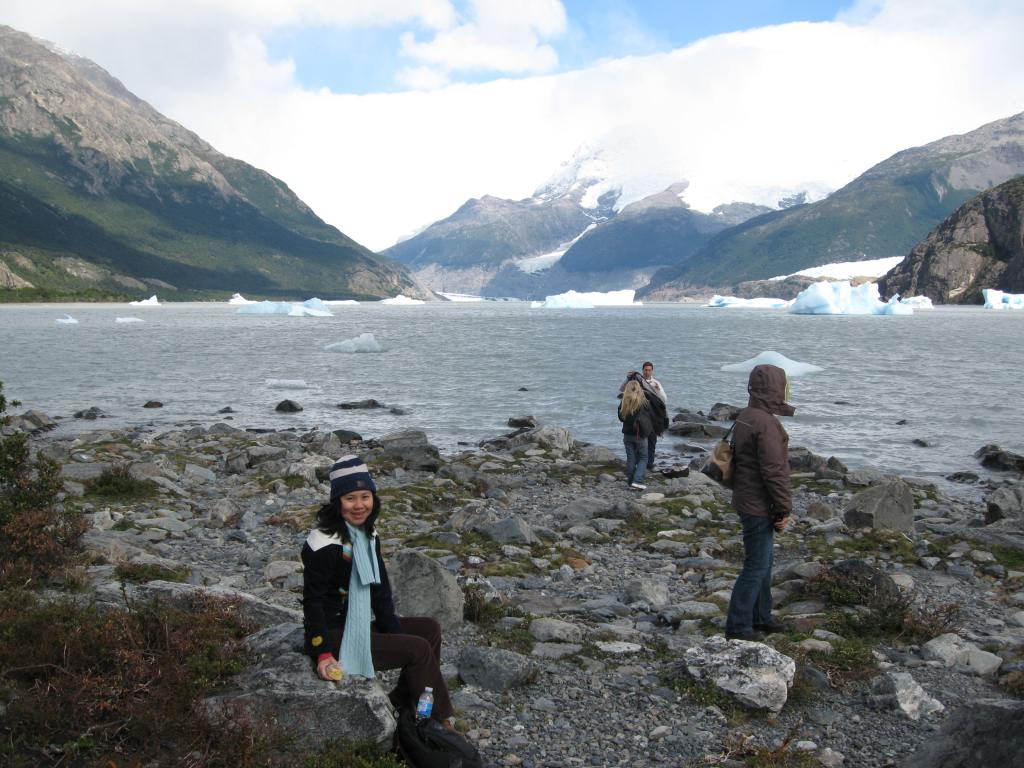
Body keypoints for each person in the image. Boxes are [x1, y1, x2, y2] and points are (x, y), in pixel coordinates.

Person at [301, 455, 454, 726]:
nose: (359, 505)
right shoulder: (323, 544)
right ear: (338, 502)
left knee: (429, 629)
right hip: (335, 636)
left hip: (356, 624)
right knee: (418, 650)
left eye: (365, 496)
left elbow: (380, 593)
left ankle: (406, 700)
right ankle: (435, 723)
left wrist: (395, 636)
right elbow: (312, 603)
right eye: (350, 498)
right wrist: (322, 653)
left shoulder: (367, 535)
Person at [724, 364, 794, 641]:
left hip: (746, 498)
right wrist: (784, 507)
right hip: (758, 504)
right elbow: (773, 470)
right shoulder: (766, 423)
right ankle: (739, 626)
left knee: (764, 561)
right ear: (774, 388)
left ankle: (761, 616)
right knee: (756, 565)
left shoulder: (747, 415)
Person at [620, 362, 668, 470]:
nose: (647, 372)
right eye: (645, 370)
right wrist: (627, 378)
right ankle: (640, 463)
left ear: (652, 371)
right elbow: (622, 390)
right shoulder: (635, 382)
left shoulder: (656, 383)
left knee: (652, 440)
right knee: (640, 439)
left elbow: (664, 399)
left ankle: (649, 464)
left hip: (653, 417)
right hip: (640, 416)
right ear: (642, 370)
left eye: (649, 370)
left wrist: (658, 389)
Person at [618, 379, 654, 490]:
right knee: (643, 458)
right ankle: (637, 481)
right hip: (640, 435)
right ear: (639, 389)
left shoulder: (623, 402)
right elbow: (649, 417)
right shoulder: (643, 402)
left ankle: (630, 482)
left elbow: (620, 418)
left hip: (627, 436)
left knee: (631, 459)